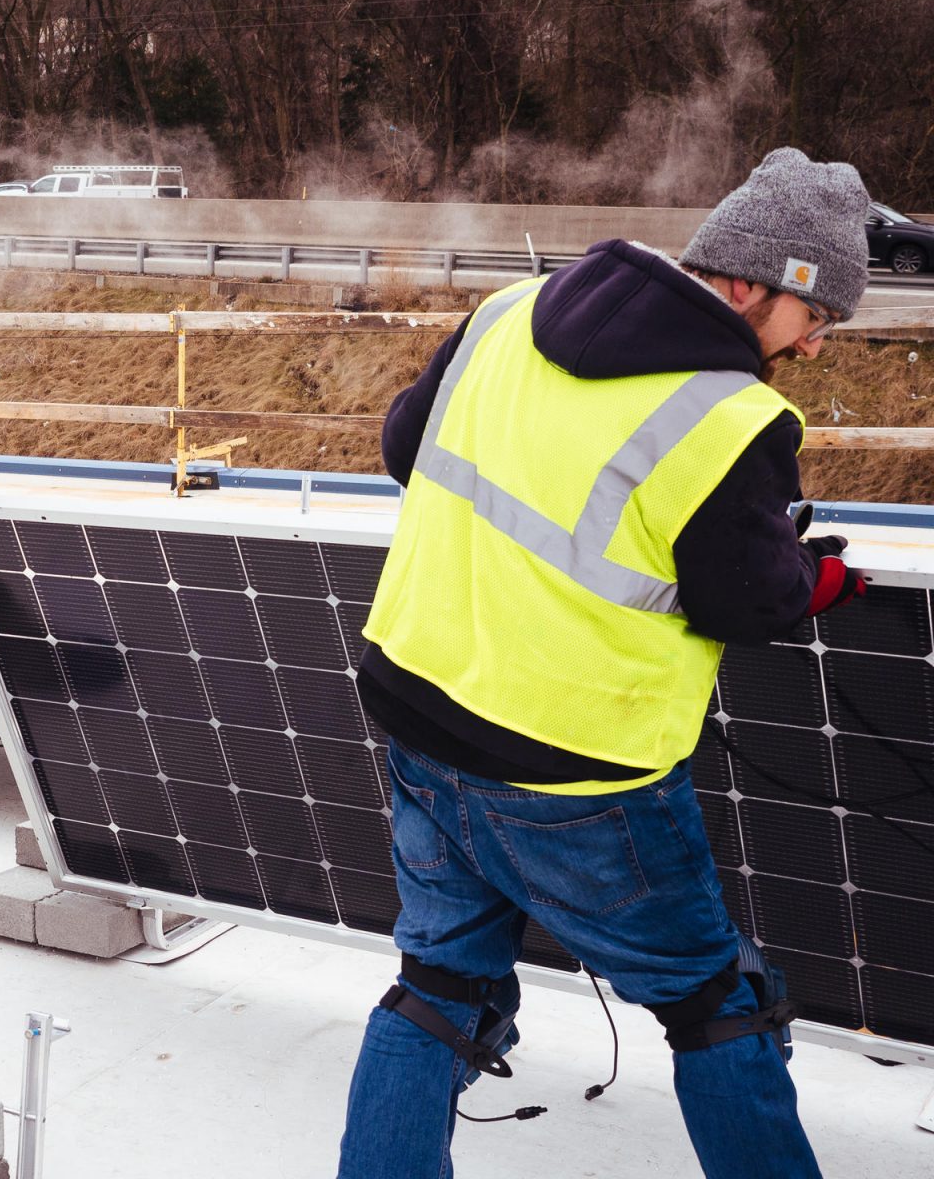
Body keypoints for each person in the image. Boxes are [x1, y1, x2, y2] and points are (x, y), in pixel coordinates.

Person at [336, 148, 872, 1178]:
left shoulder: (506, 312)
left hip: (420, 716)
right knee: (721, 1007)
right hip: (579, 775)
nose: (812, 348)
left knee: (440, 989)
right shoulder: (728, 418)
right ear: (758, 285)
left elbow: (410, 445)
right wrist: (821, 582)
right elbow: (751, 596)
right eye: (820, 319)